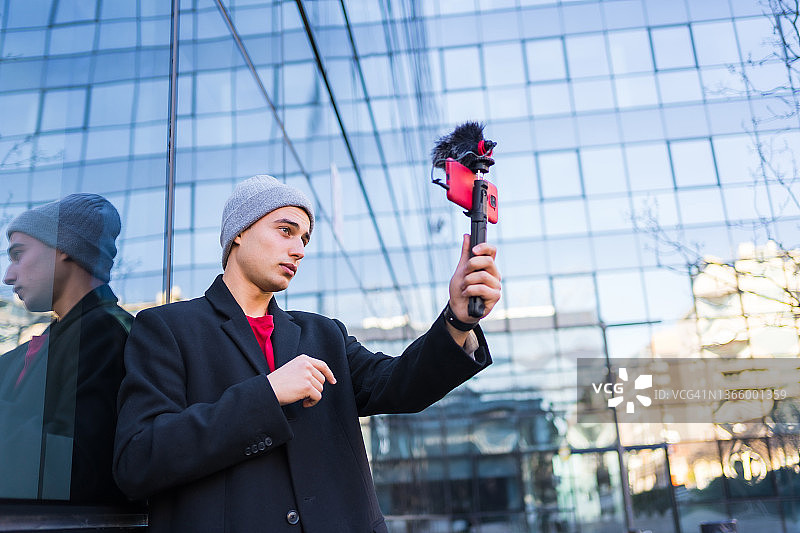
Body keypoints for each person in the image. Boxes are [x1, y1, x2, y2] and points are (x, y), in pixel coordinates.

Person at [113, 174, 502, 532]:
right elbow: (138, 460)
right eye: (286, 231)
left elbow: (401, 384)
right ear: (239, 233)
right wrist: (267, 394)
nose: (298, 250)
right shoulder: (166, 328)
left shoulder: (324, 334)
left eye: (304, 239)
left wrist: (457, 320)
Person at [0, 193, 132, 503]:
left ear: (64, 248)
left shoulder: (106, 335)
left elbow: (80, 470)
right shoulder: (50, 344)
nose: (8, 276)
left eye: (18, 254)